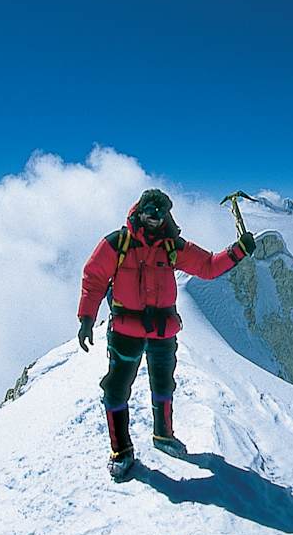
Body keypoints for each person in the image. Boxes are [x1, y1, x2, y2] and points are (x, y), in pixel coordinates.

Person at [77, 188, 255, 481]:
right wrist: (86, 318)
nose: (156, 219)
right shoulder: (118, 242)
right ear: (139, 211)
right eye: (151, 212)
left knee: (163, 384)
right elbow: (94, 278)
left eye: (161, 214)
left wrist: (238, 251)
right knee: (116, 388)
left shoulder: (172, 246)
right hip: (125, 329)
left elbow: (208, 267)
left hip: (161, 330)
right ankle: (121, 451)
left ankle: (163, 436)